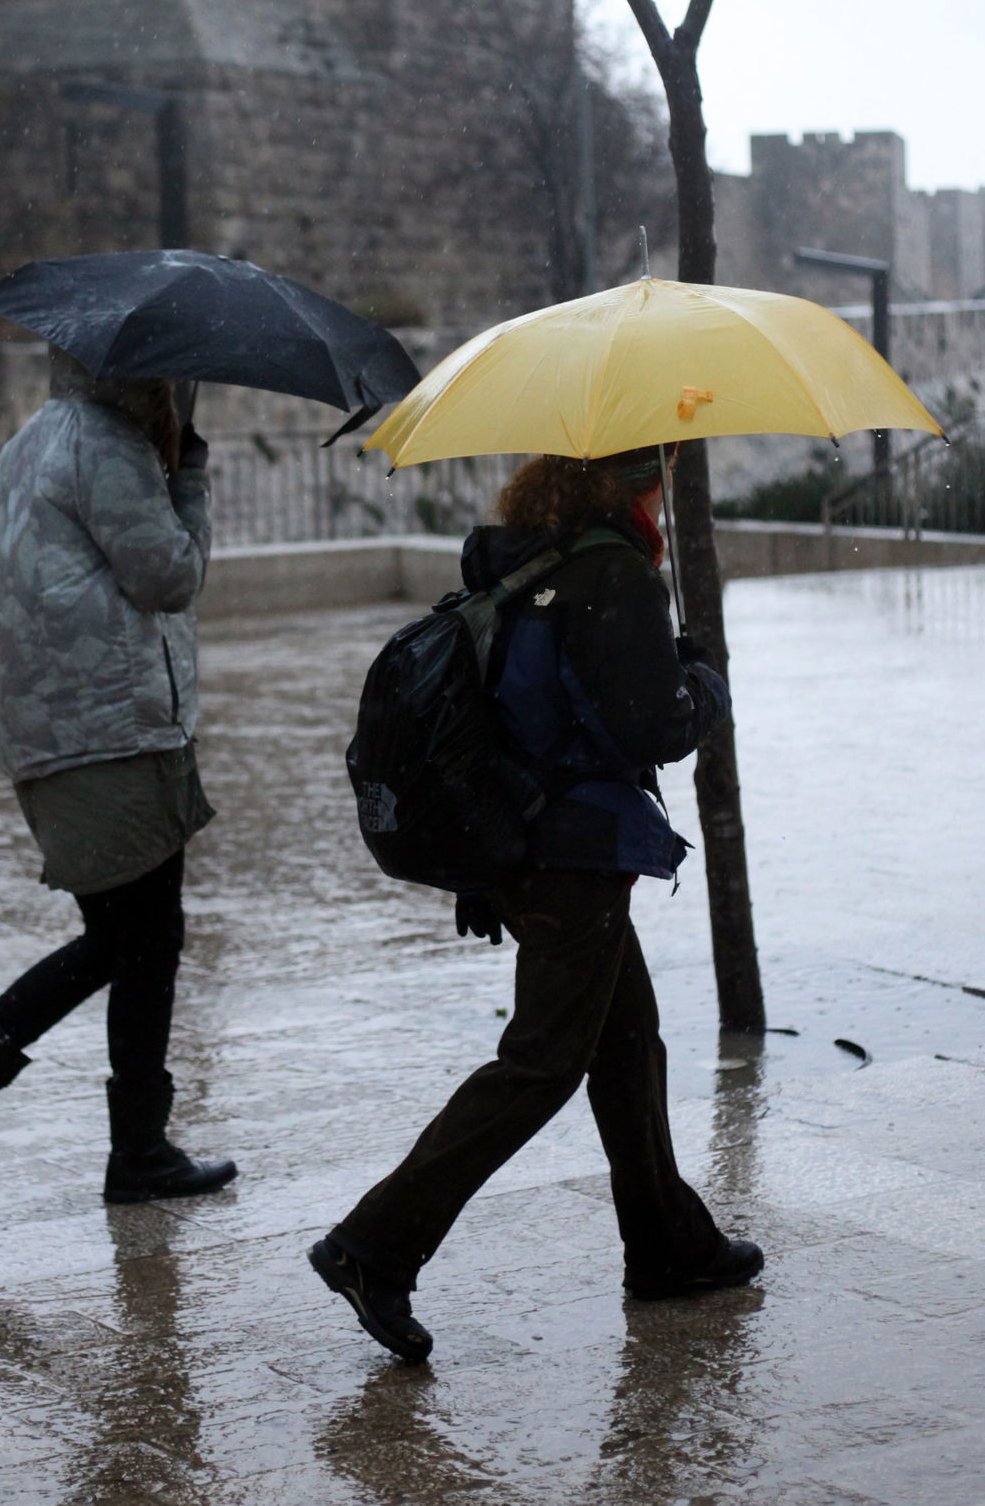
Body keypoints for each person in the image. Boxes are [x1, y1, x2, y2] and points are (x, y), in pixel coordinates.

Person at [309, 444, 762, 1361]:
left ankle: (669, 1245)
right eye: (660, 481)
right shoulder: (614, 575)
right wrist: (703, 681)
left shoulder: (522, 561)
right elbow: (652, 727)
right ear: (641, 487)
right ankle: (374, 1245)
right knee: (543, 1062)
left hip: (522, 847)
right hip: (571, 856)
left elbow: (505, 711)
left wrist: (484, 871)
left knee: (628, 1044)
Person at [0, 348, 236, 1205]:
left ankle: (91, 1132)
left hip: (54, 733)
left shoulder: (30, 442)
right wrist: (188, 475)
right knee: (141, 942)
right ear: (139, 375)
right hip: (113, 735)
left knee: (129, 941)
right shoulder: (109, 449)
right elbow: (172, 575)